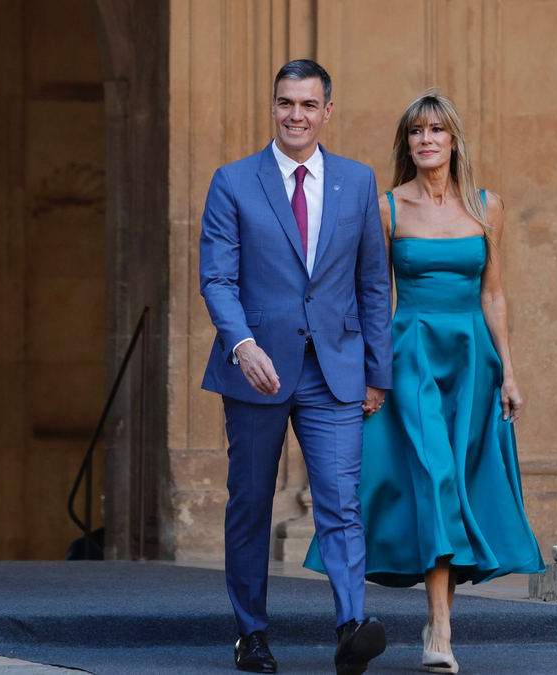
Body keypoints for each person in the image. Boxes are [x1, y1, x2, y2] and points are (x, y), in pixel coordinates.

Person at [305, 91, 545, 674]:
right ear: (406, 143)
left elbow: (493, 293)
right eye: (416, 131)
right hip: (410, 354)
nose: (426, 139)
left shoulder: (488, 206)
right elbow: (371, 295)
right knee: (436, 477)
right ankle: (440, 626)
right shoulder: (387, 208)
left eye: (437, 129)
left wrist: (509, 372)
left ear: (454, 140)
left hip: (472, 361)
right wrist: (370, 372)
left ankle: (439, 619)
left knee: (457, 486)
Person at [199, 59, 393, 675]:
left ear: (327, 111)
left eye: (309, 105)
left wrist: (377, 373)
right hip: (256, 369)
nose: (296, 115)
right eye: (286, 103)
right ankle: (251, 634)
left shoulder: (357, 182)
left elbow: (372, 283)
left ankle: (351, 627)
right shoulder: (233, 181)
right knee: (251, 503)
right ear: (273, 106)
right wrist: (241, 344)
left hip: (334, 370)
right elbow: (217, 278)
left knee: (341, 502)